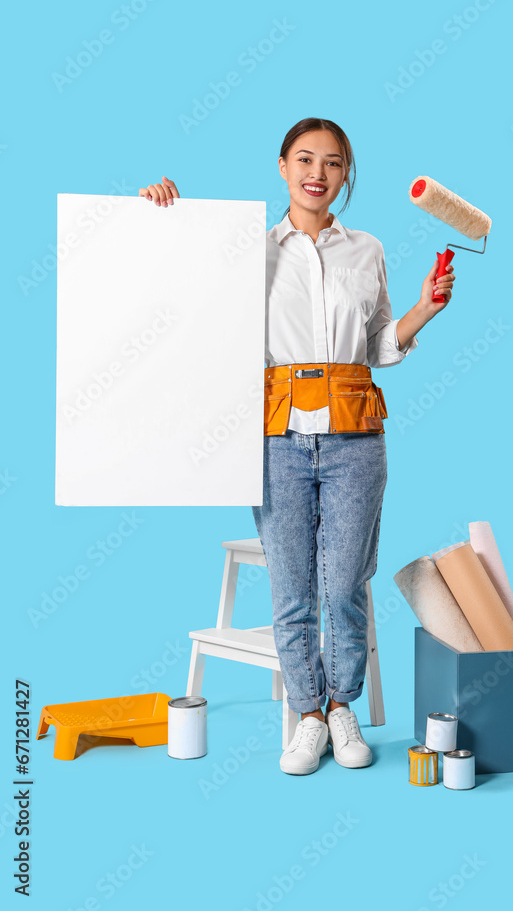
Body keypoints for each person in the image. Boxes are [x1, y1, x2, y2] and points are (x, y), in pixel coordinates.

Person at [139, 116, 455, 775]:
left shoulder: (365, 250)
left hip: (353, 440)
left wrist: (424, 308)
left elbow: (375, 346)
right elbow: (183, 299)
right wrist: (160, 221)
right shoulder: (243, 251)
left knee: (343, 585)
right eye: (305, 159)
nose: (318, 173)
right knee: (291, 590)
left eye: (333, 163)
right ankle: (306, 715)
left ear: (344, 176)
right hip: (273, 441)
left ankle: (342, 707)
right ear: (281, 167)